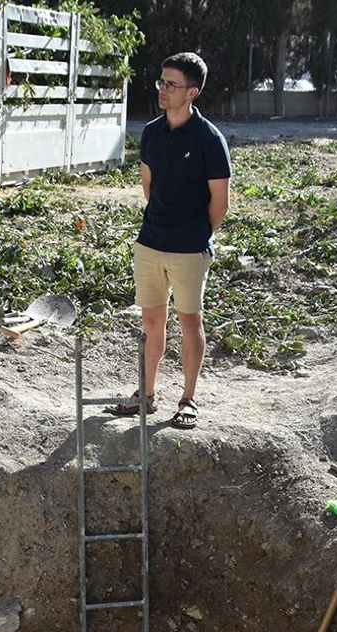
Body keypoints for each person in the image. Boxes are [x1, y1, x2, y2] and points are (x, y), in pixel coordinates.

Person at [109, 52, 230, 430]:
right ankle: (145, 394)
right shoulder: (151, 132)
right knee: (151, 321)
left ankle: (188, 398)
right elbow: (148, 189)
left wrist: (193, 235)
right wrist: (164, 229)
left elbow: (220, 205)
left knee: (190, 323)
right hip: (149, 243)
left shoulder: (211, 140)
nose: (163, 89)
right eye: (161, 82)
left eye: (172, 84)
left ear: (192, 92)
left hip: (190, 249)